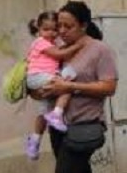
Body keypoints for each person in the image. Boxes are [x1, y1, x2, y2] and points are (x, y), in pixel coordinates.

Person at [35, 1, 117, 173]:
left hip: (85, 125)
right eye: (59, 25)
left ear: (83, 25)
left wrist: (71, 85)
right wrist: (41, 89)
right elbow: (42, 77)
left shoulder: (98, 50)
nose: (62, 31)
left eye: (68, 26)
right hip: (59, 126)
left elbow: (108, 86)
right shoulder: (57, 50)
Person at [23, 11, 85, 160]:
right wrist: (79, 45)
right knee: (66, 86)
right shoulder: (40, 42)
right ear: (38, 29)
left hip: (41, 77)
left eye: (54, 29)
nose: (51, 33)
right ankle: (56, 114)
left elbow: (59, 52)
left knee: (42, 112)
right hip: (38, 77)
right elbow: (58, 55)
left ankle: (35, 141)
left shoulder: (51, 43)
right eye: (46, 29)